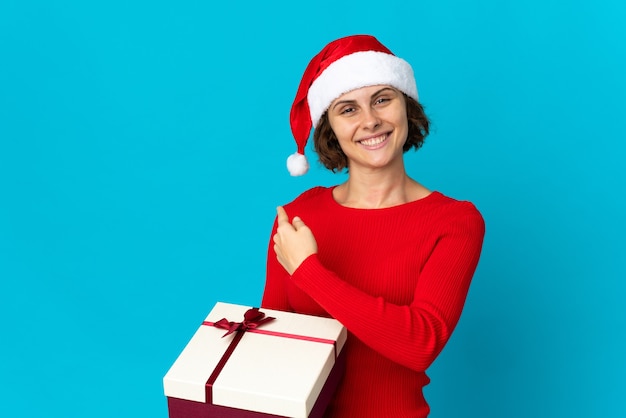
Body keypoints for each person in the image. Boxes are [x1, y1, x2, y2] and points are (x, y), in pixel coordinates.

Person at [261, 34, 485, 417]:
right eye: (348, 109)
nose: (370, 121)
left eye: (382, 99)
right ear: (329, 128)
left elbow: (421, 343)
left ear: (406, 106)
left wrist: (309, 272)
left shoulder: (454, 222)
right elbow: (272, 348)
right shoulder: (299, 216)